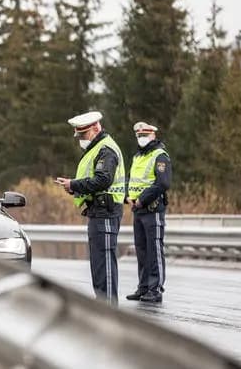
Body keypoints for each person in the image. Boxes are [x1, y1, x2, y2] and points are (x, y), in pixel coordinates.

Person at [55, 111, 125, 304]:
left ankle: (109, 309)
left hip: (106, 212)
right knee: (98, 265)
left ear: (96, 128)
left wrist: (74, 184)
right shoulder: (96, 149)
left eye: (83, 134)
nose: (81, 139)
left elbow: (103, 179)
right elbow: (94, 180)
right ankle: (103, 305)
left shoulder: (106, 149)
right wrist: (73, 187)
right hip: (97, 211)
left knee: (105, 265)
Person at [126, 122, 171, 303]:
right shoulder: (138, 156)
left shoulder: (160, 156)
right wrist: (127, 197)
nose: (141, 138)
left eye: (145, 135)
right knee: (142, 250)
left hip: (152, 209)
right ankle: (143, 287)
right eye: (139, 135)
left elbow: (163, 183)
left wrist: (142, 199)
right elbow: (131, 180)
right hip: (138, 209)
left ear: (153, 135)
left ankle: (156, 288)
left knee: (154, 250)